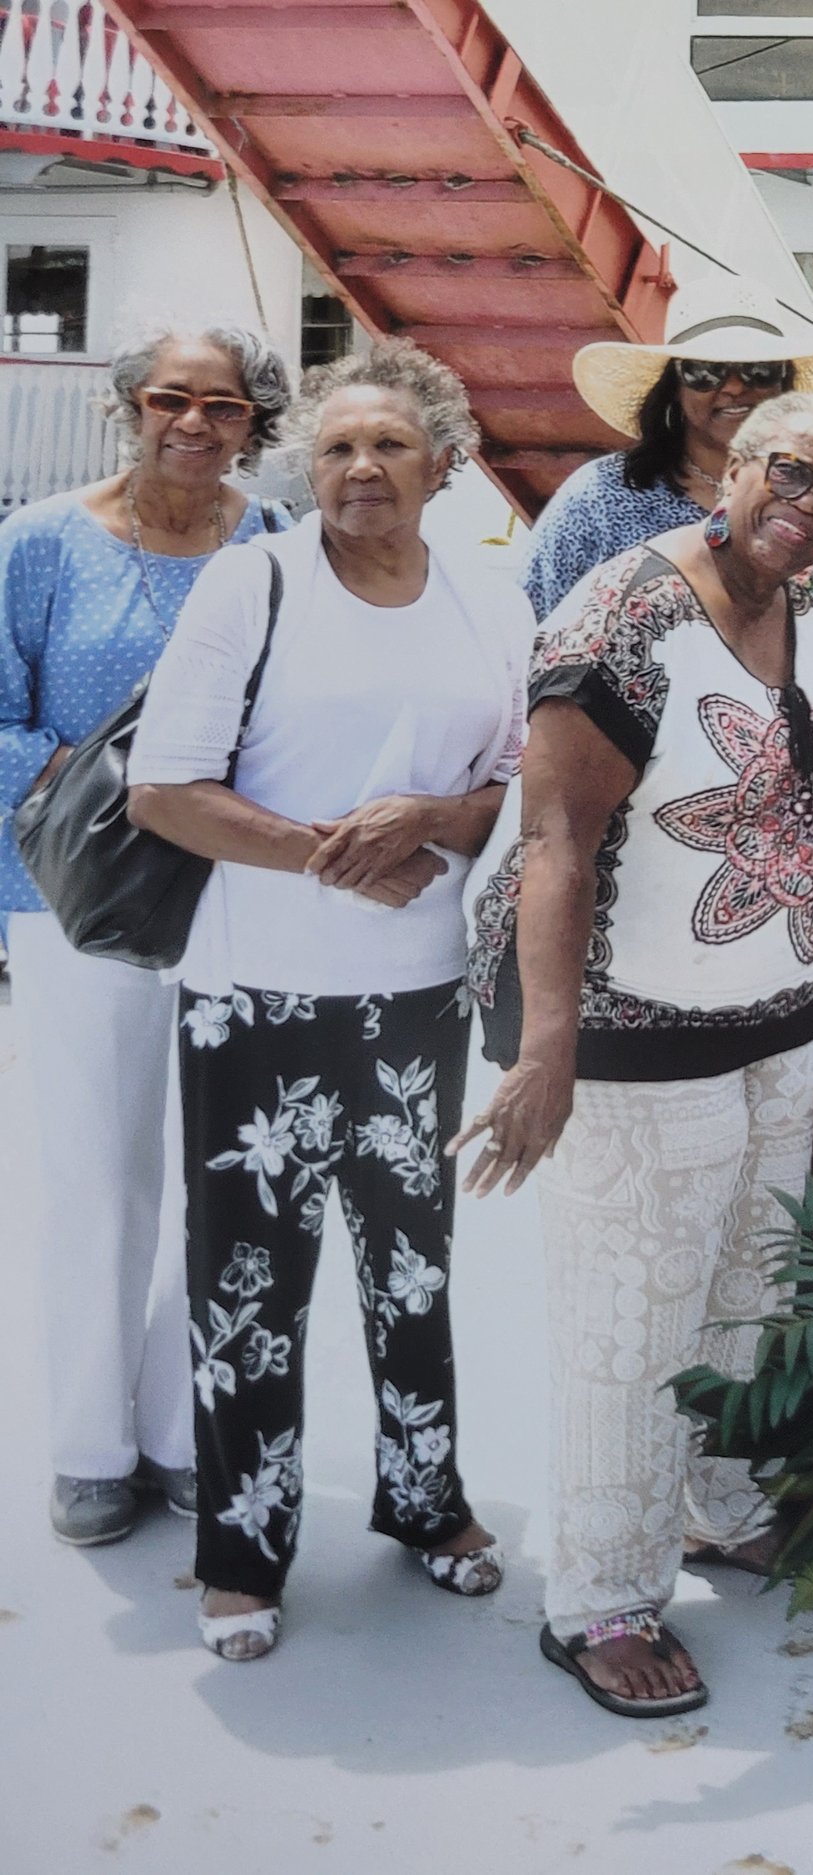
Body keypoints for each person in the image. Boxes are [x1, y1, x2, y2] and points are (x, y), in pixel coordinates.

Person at [455, 388, 813, 1718]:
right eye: (791, 477)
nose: (809, 513)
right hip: (631, 1033)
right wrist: (547, 1050)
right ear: (734, 468)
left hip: (778, 1013)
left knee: (750, 1286)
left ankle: (722, 1502)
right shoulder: (624, 619)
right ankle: (600, 1594)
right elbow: (553, 843)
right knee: (630, 1318)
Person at [124, 339, 528, 1661]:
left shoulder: (491, 600)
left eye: (390, 446)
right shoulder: (257, 583)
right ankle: (242, 1550)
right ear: (308, 464)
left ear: (443, 465)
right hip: (257, 992)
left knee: (412, 1270)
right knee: (248, 1281)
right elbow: (164, 790)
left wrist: (436, 816)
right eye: (339, 447)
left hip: (415, 997)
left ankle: (426, 1503)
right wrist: (329, 852)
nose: (361, 467)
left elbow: (518, 792)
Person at [0, 323, 291, 1547]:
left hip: (237, 892)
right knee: (96, 1175)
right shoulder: (41, 542)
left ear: (250, 423)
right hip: (85, 903)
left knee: (227, 1172)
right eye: (170, 399)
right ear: (130, 406)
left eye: (221, 407)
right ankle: (89, 1447)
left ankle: (182, 1433)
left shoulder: (277, 543)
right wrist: (82, 773)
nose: (193, 424)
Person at [525, 275, 813, 621]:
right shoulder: (599, 499)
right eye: (706, 371)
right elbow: (528, 626)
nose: (734, 388)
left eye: (758, 370)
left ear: (784, 383)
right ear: (675, 387)